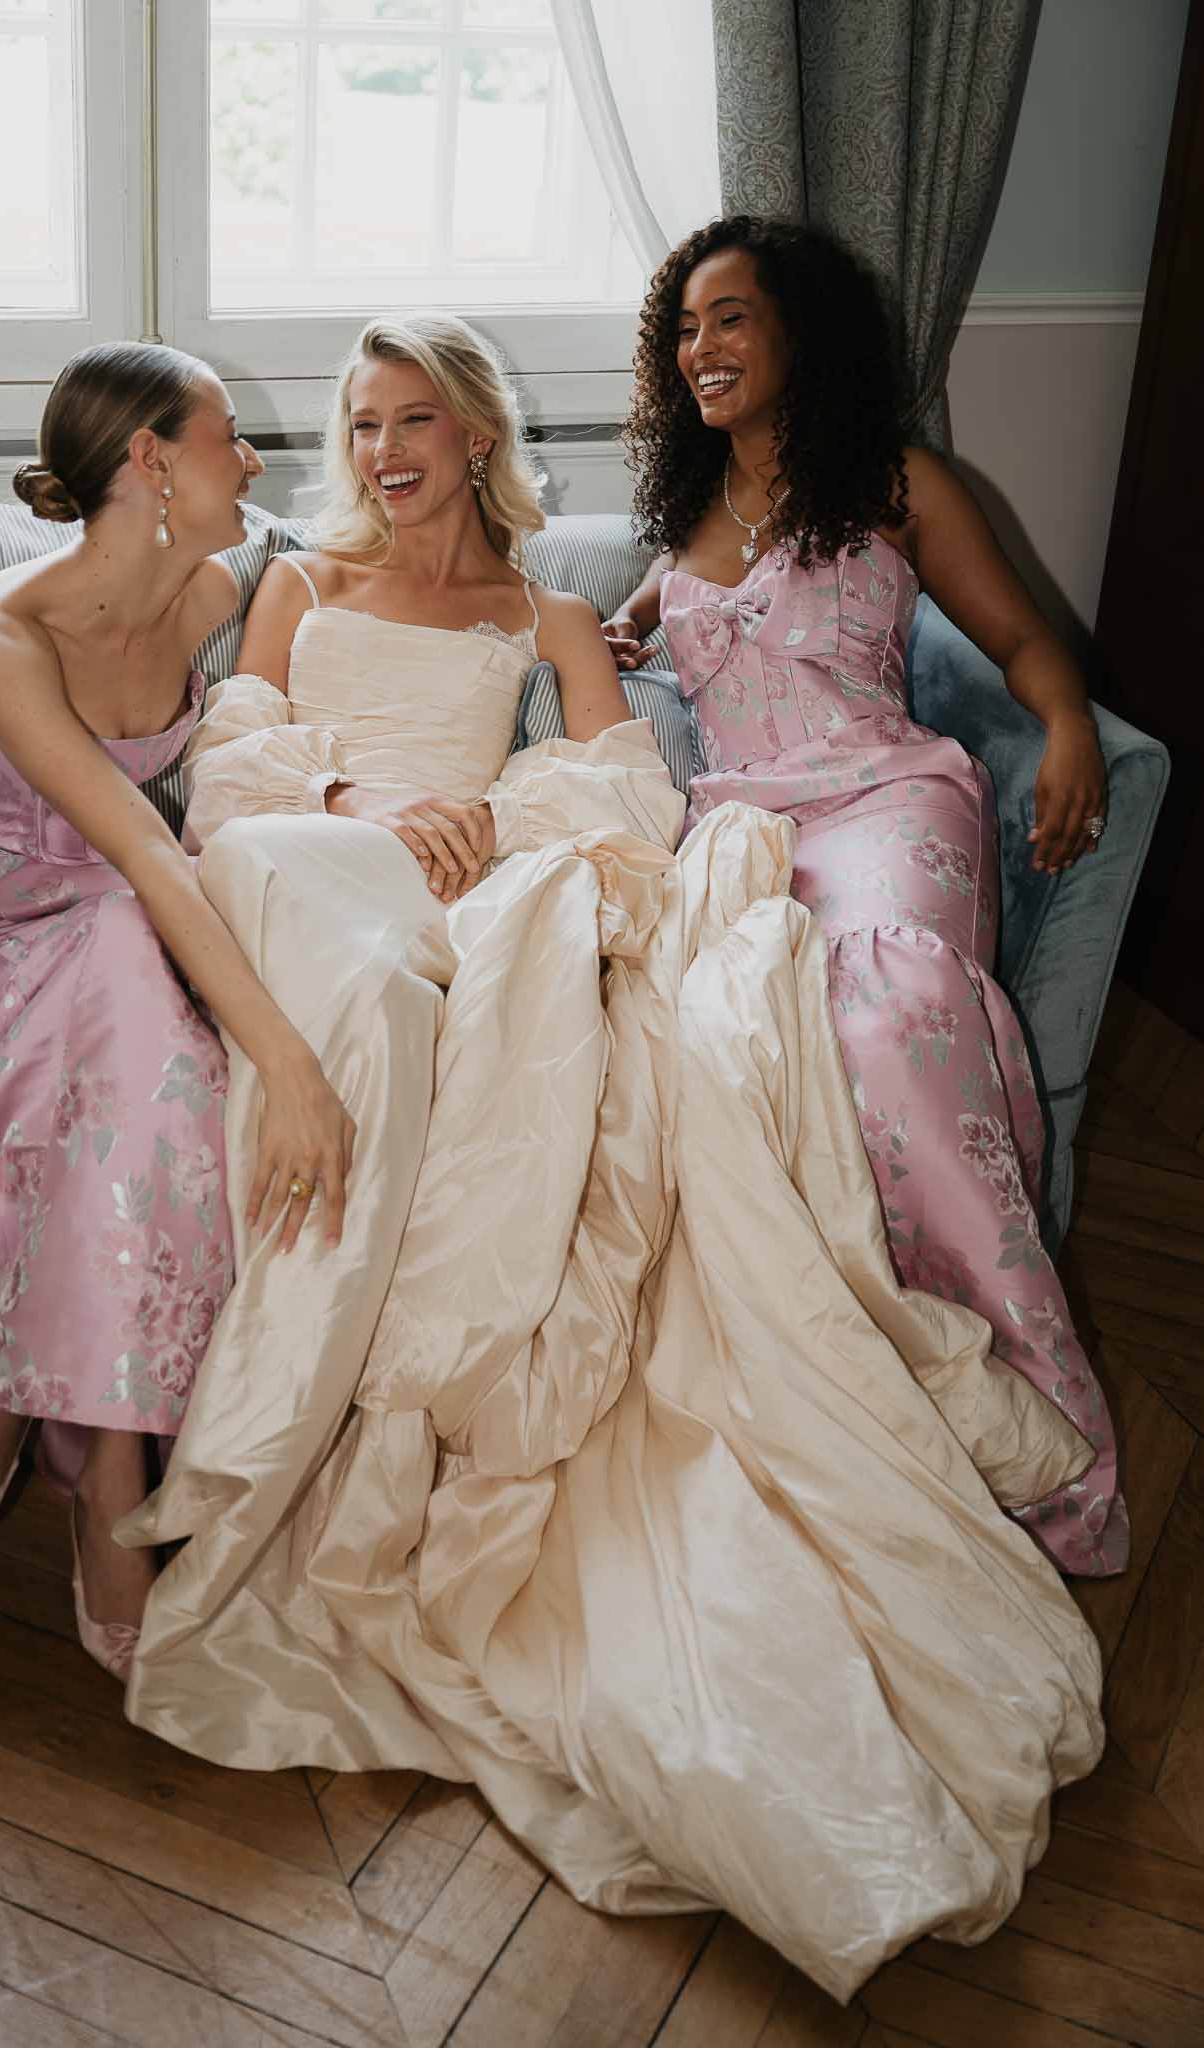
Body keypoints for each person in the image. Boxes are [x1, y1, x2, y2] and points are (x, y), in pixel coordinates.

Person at [116, 312, 1104, 2002]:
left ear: (474, 434)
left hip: (451, 888)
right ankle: (282, 1413)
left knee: (509, 974)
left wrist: (488, 818)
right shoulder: (299, 585)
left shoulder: (549, 615)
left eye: (412, 419)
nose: (381, 451)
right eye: (360, 423)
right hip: (304, 858)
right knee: (346, 945)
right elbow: (233, 765)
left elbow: (630, 798)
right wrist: (360, 806)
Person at [603, 215, 1125, 1577]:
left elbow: (1020, 636)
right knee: (723, 1051)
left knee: (885, 1014)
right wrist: (619, 635)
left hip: (889, 799)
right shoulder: (680, 520)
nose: (700, 348)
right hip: (741, 832)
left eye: (729, 318)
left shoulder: (898, 484)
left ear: (800, 332)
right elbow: (637, 626)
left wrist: (1067, 721)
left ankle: (1036, 1431)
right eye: (683, 329)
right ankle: (855, 1416)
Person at [0, 342, 355, 1679]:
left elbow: (359, 568)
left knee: (137, 1004)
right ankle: (111, 1487)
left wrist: (612, 617)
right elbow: (143, 855)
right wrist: (287, 1065)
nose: (254, 460)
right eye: (229, 434)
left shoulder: (212, 589)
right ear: (151, 461)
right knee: (131, 938)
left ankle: (10, 1413)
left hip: (132, 941)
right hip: (3, 935)